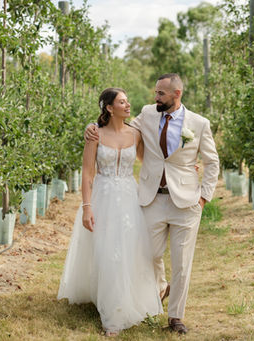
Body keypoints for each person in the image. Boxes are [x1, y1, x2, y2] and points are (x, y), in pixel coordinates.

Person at [85, 73, 220, 334]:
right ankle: (160, 287)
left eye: (160, 93)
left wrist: (204, 196)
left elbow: (212, 162)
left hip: (187, 201)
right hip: (151, 198)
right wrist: (92, 126)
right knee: (148, 254)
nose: (155, 97)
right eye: (155, 92)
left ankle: (175, 317)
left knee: (182, 262)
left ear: (176, 94)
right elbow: (117, 125)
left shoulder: (199, 124)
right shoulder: (148, 113)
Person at [57, 88, 163, 337]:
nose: (128, 105)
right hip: (103, 196)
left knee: (127, 249)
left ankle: (128, 299)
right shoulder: (95, 134)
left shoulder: (135, 134)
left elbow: (151, 161)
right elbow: (87, 172)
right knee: (107, 251)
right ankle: (112, 314)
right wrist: (86, 206)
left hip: (129, 197)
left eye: (128, 101)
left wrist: (185, 165)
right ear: (109, 107)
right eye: (122, 102)